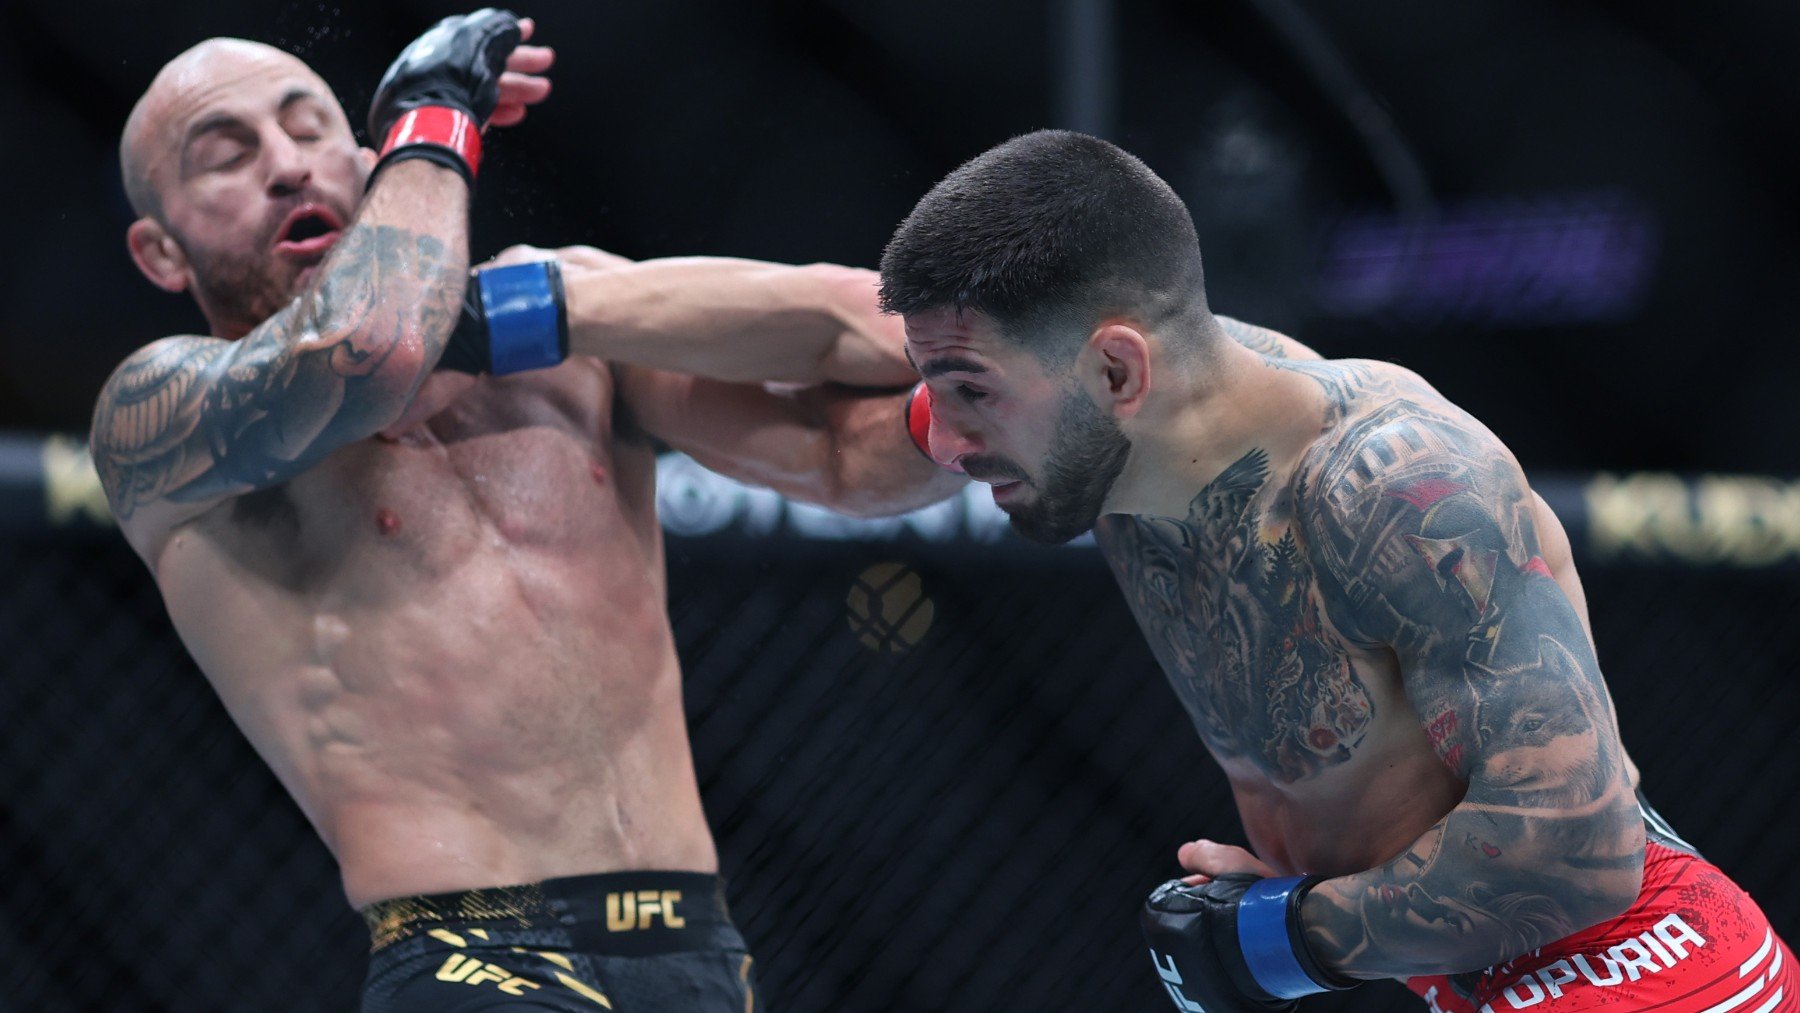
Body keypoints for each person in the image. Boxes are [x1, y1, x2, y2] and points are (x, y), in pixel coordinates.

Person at [90, 11, 959, 1010]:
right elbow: (372, 353)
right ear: (160, 252)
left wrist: (974, 413)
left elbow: (853, 422)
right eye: (226, 156)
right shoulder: (162, 415)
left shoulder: (567, 314)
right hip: (470, 960)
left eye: (309, 128)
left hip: (701, 952)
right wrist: (436, 117)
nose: (287, 167)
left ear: (368, 163)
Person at [879, 129, 1796, 1013]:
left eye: (970, 394)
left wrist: (1272, 941)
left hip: (1646, 958)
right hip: (1451, 972)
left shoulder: (1399, 484)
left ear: (1118, 374)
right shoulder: (1077, 418)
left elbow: (1578, 849)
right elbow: (833, 412)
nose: (947, 442)